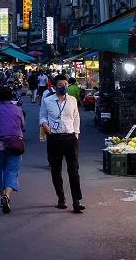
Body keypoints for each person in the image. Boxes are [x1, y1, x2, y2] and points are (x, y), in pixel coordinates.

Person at [39, 74, 84, 213]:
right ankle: (61, 197)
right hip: (54, 139)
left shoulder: (72, 100)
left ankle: (76, 201)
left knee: (73, 170)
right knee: (56, 169)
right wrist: (45, 125)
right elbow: (42, 116)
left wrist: (76, 134)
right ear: (54, 86)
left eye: (65, 84)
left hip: (70, 138)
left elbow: (76, 117)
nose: (64, 87)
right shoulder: (47, 101)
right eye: (60, 85)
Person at [0, 86, 26, 213]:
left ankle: (3, 195)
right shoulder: (17, 109)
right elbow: (22, 124)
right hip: (15, 142)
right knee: (13, 170)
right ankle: (7, 196)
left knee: (1, 170)